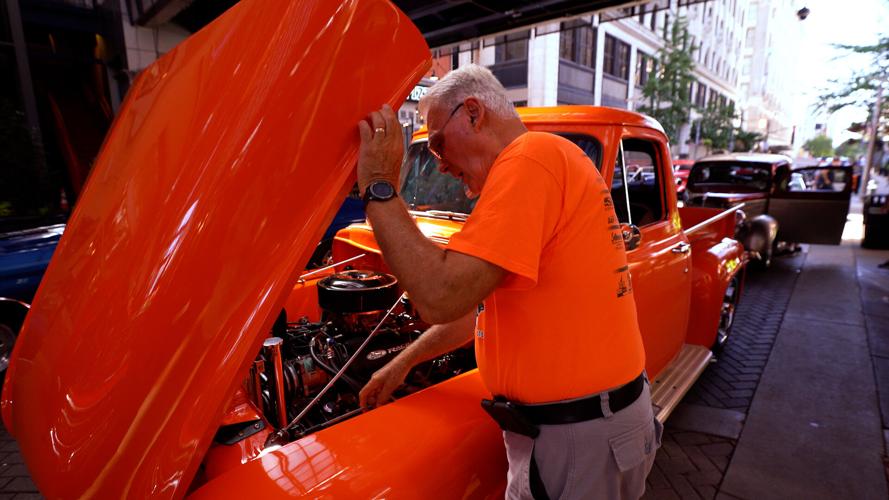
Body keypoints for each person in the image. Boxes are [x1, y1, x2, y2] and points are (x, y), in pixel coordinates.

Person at [355, 64, 660, 500]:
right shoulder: (542, 161)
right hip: (585, 431)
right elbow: (476, 310)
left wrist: (380, 186)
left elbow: (442, 296)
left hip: (578, 437)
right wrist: (404, 361)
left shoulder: (529, 158)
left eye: (438, 144)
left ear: (474, 113)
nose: (440, 166)